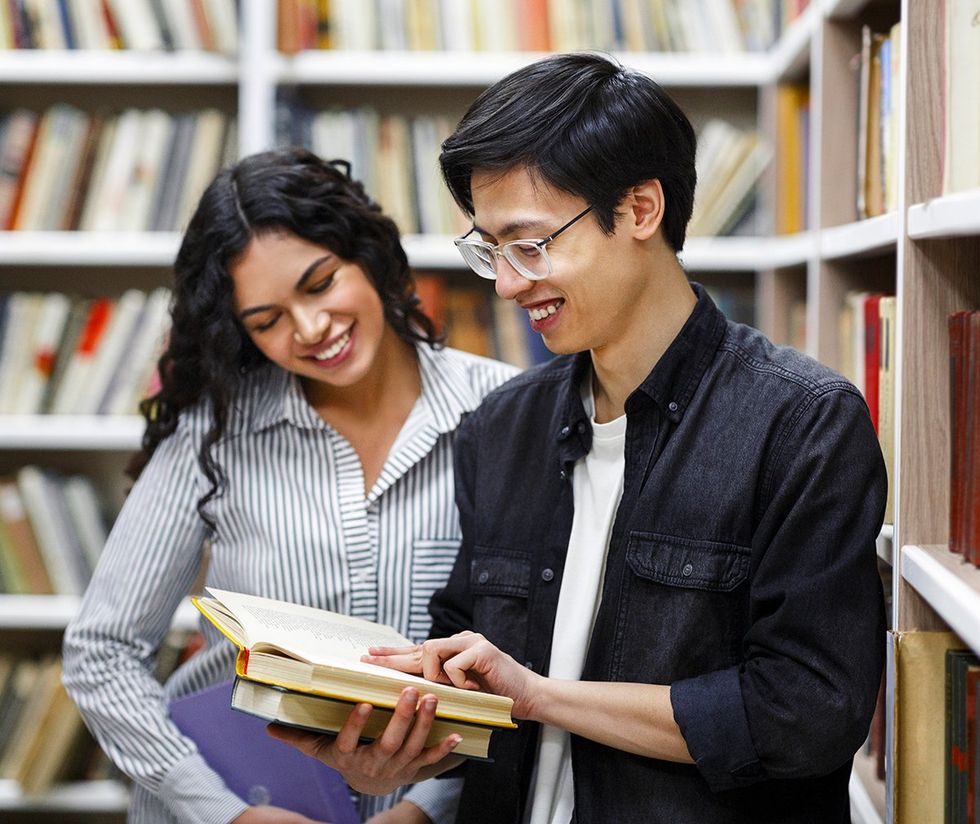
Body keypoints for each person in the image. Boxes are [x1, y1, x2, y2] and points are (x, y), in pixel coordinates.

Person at [271, 53, 888, 824]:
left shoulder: (802, 424)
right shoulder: (503, 428)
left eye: (529, 245)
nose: (505, 283)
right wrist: (387, 749)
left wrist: (540, 697)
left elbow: (807, 715)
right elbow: (466, 684)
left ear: (639, 210)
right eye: (489, 249)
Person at [61, 147, 517, 824]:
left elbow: (531, 664)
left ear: (368, 254)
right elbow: (101, 654)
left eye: (320, 282)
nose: (311, 330)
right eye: (268, 321)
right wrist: (223, 813)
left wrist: (427, 808)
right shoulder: (215, 433)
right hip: (245, 801)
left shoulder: (510, 413)